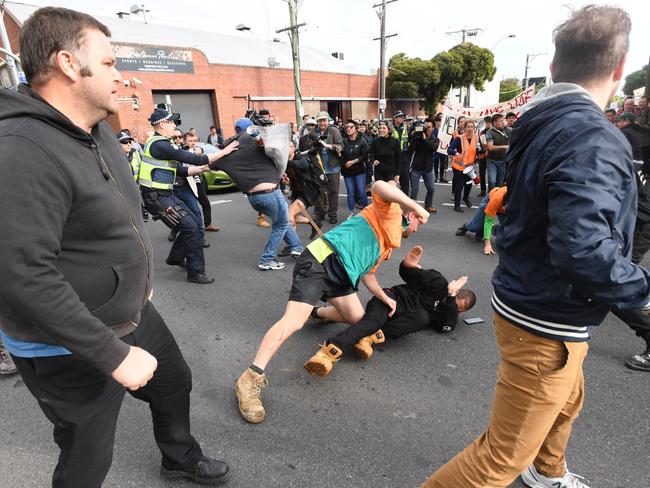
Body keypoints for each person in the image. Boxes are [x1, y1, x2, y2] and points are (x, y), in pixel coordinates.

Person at [0, 7, 232, 486]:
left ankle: (178, 457)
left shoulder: (96, 130)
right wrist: (113, 355)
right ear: (68, 63)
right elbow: (22, 275)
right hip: (65, 345)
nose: (119, 76)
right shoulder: (20, 148)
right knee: (86, 456)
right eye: (108, 63)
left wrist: (137, 283)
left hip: (131, 314)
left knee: (174, 382)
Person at [422, 6, 649, 487]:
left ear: (552, 68)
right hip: (547, 314)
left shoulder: (540, 118)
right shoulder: (593, 136)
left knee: (567, 401)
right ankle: (536, 469)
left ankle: (547, 472)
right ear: (619, 69)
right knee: (498, 459)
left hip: (533, 294)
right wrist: (643, 292)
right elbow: (583, 248)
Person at [234, 180, 429, 423]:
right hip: (322, 260)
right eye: (418, 221)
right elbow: (378, 185)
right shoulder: (391, 211)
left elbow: (368, 274)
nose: (418, 227)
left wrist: (384, 298)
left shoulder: (389, 244)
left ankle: (316, 314)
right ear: (410, 214)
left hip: (343, 276)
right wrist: (415, 205)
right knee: (294, 321)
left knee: (358, 319)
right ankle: (250, 378)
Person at [304, 245, 475, 376]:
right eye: (457, 304)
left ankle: (366, 337)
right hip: (390, 300)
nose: (454, 309)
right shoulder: (439, 283)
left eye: (460, 310)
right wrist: (409, 264)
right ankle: (328, 352)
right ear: (457, 291)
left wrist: (452, 297)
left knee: (422, 317)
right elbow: (410, 274)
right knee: (370, 321)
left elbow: (447, 326)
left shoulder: (447, 311)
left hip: (395, 322)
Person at [140, 108, 237, 283]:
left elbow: (181, 170)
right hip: (156, 197)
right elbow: (195, 159)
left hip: (164, 195)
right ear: (162, 124)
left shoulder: (160, 144)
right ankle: (196, 273)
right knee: (191, 229)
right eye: (172, 122)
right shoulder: (159, 144)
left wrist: (205, 168)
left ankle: (176, 258)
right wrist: (224, 152)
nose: (175, 126)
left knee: (193, 223)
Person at [211, 118, 304, 270]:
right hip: (271, 192)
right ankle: (267, 259)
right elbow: (278, 148)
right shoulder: (260, 141)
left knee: (281, 220)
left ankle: (296, 247)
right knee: (281, 223)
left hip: (255, 198)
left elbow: (209, 164)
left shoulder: (230, 151)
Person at [184, 132, 220, 232]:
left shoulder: (199, 150)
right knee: (188, 207)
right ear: (185, 142)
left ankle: (208, 224)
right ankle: (177, 229)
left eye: (194, 140)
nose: (193, 143)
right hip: (185, 182)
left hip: (197, 180)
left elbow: (204, 160)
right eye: (190, 141)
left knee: (205, 203)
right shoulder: (182, 151)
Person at [456, 185, 507, 255]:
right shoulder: (498, 198)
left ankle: (492, 229)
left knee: (510, 228)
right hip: (490, 201)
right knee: (475, 227)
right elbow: (488, 220)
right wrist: (487, 244)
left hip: (503, 209)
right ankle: (466, 226)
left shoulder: (522, 200)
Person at [313, 111, 344, 225]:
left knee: (333, 192)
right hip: (319, 167)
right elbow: (310, 146)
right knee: (319, 191)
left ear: (328, 121)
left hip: (333, 167)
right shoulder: (314, 132)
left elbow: (341, 145)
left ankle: (332, 214)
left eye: (324, 120)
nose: (322, 123)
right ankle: (320, 212)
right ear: (317, 122)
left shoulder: (334, 131)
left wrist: (330, 146)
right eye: (320, 121)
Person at [409, 119, 440, 214]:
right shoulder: (418, 137)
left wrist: (425, 139)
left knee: (431, 189)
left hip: (428, 168)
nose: (427, 129)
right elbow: (412, 148)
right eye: (425, 126)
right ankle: (411, 208)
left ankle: (428, 205)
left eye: (429, 127)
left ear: (433, 128)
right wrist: (414, 135)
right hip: (416, 167)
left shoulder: (435, 139)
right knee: (414, 190)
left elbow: (433, 148)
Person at [447, 119, 479, 212]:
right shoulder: (459, 138)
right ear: (464, 128)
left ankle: (465, 198)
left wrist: (479, 154)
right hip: (458, 167)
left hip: (469, 167)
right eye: (468, 127)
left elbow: (476, 150)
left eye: (472, 127)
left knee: (469, 184)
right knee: (459, 186)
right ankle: (457, 205)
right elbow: (450, 149)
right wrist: (455, 153)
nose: (470, 128)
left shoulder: (476, 137)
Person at [341, 120, 370, 219]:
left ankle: (366, 212)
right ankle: (351, 212)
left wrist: (353, 161)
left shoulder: (362, 140)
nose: (348, 129)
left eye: (351, 127)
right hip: (347, 171)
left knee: (362, 192)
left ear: (356, 129)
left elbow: (365, 154)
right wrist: (343, 159)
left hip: (359, 170)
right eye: (347, 127)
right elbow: (341, 155)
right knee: (350, 193)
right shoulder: (344, 141)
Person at [485, 113, 509, 191]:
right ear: (495, 123)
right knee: (492, 181)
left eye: (503, 121)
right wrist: (504, 147)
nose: (503, 123)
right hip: (492, 161)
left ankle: (496, 201)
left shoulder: (507, 130)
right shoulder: (490, 132)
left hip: (503, 161)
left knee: (500, 183)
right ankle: (490, 200)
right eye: (501, 121)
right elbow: (490, 147)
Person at [391, 110, 411, 195]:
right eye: (400, 117)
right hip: (392, 156)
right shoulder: (389, 128)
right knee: (392, 180)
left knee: (405, 179)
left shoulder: (406, 127)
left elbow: (410, 139)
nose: (402, 118)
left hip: (404, 156)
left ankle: (405, 200)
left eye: (403, 117)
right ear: (395, 118)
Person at [477, 116, 491, 196]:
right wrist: (479, 150)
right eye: (486, 122)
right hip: (482, 156)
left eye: (489, 122)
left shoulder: (494, 132)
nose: (487, 123)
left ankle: (490, 191)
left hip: (491, 157)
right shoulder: (482, 133)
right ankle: (482, 190)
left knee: (491, 175)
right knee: (482, 175)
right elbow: (479, 144)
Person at [432, 117, 448, 183]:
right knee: (436, 163)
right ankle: (436, 177)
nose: (439, 122)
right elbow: (433, 138)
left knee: (442, 163)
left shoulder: (443, 129)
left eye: (440, 121)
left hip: (442, 148)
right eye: (438, 121)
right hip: (436, 148)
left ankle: (441, 177)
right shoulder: (433, 130)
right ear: (435, 122)